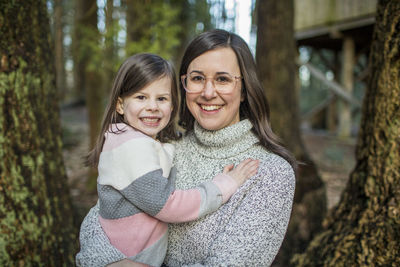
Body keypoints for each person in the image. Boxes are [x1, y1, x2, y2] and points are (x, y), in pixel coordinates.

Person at [76, 29, 297, 266]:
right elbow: (99, 218)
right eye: (197, 78)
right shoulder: (163, 148)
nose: (208, 92)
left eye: (222, 79)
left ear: (244, 89)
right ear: (184, 84)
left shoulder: (270, 173)